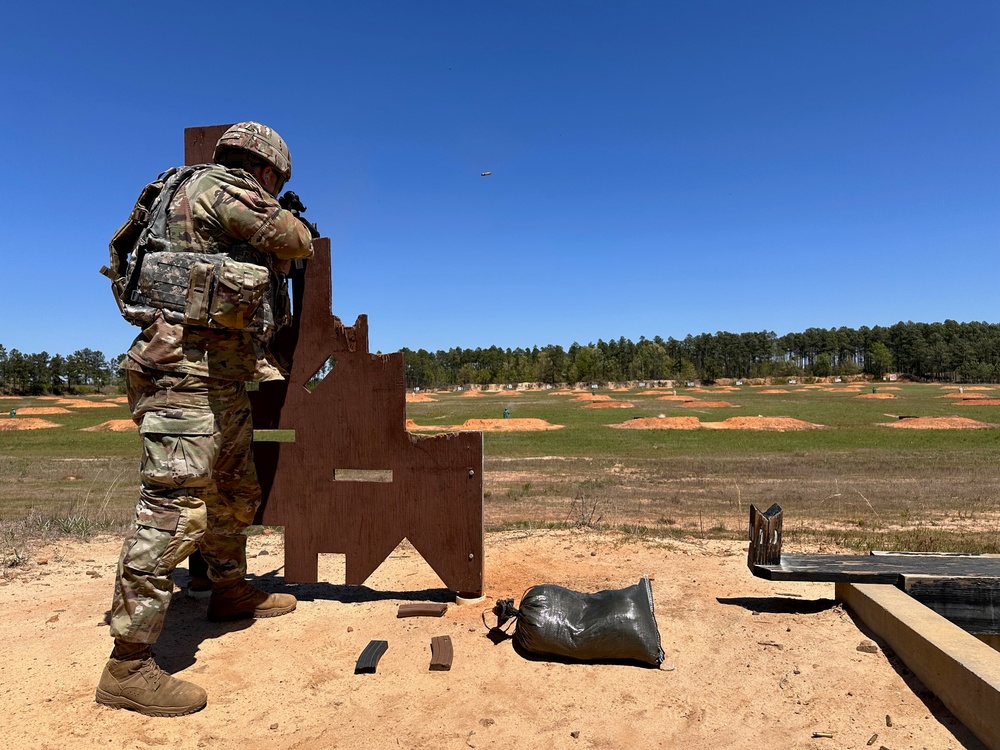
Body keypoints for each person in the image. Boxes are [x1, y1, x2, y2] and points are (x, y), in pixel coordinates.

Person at [96, 122, 315, 717]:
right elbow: (296, 239)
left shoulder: (191, 191)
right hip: (183, 373)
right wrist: (285, 214)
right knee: (172, 510)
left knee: (232, 488)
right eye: (275, 180)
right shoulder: (219, 187)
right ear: (265, 169)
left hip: (218, 373)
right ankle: (128, 663)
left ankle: (227, 589)